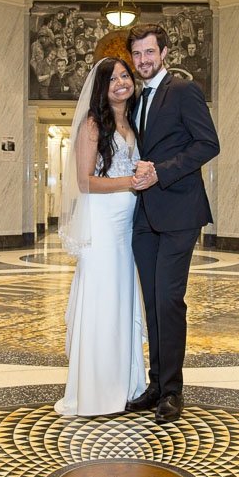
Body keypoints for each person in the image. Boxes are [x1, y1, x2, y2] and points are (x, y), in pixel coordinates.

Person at [125, 23, 220, 424]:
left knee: (168, 300)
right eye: (137, 54)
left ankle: (173, 390)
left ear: (164, 53)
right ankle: (155, 384)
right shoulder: (133, 98)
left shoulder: (182, 90)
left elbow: (208, 143)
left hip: (180, 212)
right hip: (143, 215)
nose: (144, 60)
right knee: (151, 302)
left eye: (150, 53)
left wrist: (161, 172)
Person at [54, 57, 150, 416]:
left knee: (123, 300)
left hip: (126, 228)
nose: (122, 82)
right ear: (102, 87)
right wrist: (131, 181)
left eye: (126, 75)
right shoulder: (94, 125)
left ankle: (125, 385)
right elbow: (84, 181)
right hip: (102, 225)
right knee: (103, 302)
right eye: (113, 79)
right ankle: (97, 391)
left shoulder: (134, 122)